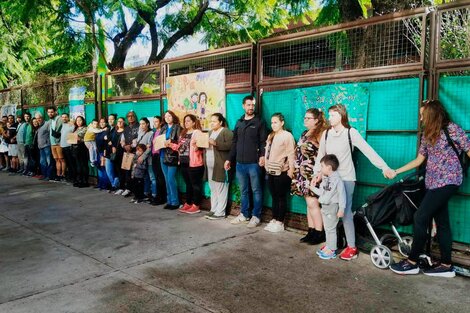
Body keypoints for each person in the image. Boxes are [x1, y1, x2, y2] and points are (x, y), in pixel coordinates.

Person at [389, 100, 470, 277]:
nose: (420, 118)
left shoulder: (452, 129)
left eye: (422, 115)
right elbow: (419, 160)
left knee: (420, 216)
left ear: (432, 114)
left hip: (449, 180)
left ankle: (412, 262)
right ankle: (446, 265)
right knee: (442, 223)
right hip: (432, 183)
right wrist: (396, 171)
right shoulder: (428, 134)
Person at [314, 104, 395, 261]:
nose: (329, 118)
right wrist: (317, 173)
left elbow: (368, 151)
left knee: (344, 213)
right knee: (329, 213)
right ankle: (332, 244)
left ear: (341, 116)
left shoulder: (351, 133)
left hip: (346, 179)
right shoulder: (325, 134)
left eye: (333, 115)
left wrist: (384, 167)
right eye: (329, 115)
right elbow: (320, 156)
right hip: (328, 181)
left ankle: (351, 247)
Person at [225, 95, 267, 228]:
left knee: (256, 190)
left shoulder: (260, 122)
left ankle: (256, 216)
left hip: (254, 164)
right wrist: (229, 159)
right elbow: (234, 143)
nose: (251, 107)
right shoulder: (239, 122)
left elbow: (263, 141)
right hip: (239, 164)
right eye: (248, 105)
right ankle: (244, 214)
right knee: (244, 190)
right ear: (243, 106)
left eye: (252, 105)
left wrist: (262, 156)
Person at [292, 108, 329, 244]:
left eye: (309, 118)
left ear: (317, 120)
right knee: (309, 204)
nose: (305, 120)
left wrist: (320, 172)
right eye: (305, 118)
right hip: (301, 173)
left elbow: (326, 154)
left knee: (313, 202)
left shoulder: (321, 134)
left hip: (313, 173)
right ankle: (311, 231)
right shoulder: (304, 133)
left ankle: (320, 232)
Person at [263, 113, 295, 233]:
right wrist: (265, 164)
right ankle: (274, 219)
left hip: (282, 171)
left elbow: (291, 154)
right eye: (272, 122)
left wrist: (291, 170)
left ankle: (280, 222)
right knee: (274, 196)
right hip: (270, 170)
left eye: (275, 122)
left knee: (281, 197)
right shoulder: (271, 135)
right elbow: (267, 152)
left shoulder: (287, 136)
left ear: (282, 123)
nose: (273, 125)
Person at [311, 154, 346, 259]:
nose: (321, 169)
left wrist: (341, 208)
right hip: (325, 207)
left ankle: (332, 250)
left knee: (331, 229)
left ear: (329, 168)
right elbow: (322, 192)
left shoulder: (337, 180)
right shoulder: (326, 180)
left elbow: (342, 195)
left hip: (332, 207)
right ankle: (329, 246)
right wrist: (312, 188)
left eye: (322, 166)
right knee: (327, 228)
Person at [171, 114, 204, 214]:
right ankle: (188, 203)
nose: (186, 123)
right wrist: (171, 145)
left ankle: (196, 205)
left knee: (195, 185)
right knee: (188, 184)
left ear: (194, 122)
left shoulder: (197, 132)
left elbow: (202, 146)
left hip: (194, 163)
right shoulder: (183, 133)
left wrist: (198, 147)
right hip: (183, 162)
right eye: (185, 121)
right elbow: (180, 148)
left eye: (189, 121)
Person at [204, 113, 233, 220]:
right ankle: (214, 209)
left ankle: (220, 212)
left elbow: (231, 145)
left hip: (221, 164)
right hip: (210, 164)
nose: (212, 123)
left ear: (220, 122)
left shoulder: (226, 131)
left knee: (221, 188)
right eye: (211, 121)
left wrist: (216, 143)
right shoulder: (210, 132)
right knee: (213, 188)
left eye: (214, 121)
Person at [160, 110, 182, 210]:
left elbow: (180, 142)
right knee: (166, 180)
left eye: (169, 116)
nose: (167, 118)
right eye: (166, 116)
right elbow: (159, 140)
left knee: (171, 179)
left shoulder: (177, 127)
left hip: (172, 156)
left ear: (173, 117)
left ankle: (175, 202)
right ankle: (169, 201)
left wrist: (171, 142)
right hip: (162, 155)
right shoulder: (163, 128)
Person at [119, 111, 139, 197]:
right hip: (127, 152)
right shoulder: (126, 128)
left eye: (132, 116)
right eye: (128, 116)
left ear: (135, 117)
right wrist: (124, 146)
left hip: (135, 152)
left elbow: (139, 138)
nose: (130, 118)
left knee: (135, 172)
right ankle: (128, 189)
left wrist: (131, 145)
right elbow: (122, 139)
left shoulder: (139, 126)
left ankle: (135, 190)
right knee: (127, 171)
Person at [135, 118, 154, 201]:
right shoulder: (140, 132)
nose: (141, 125)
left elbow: (149, 147)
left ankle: (153, 194)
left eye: (143, 124)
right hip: (140, 159)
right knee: (144, 177)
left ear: (147, 124)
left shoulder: (151, 133)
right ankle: (145, 193)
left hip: (148, 159)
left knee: (152, 177)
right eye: (140, 124)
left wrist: (143, 156)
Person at [150, 116, 167, 205]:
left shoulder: (162, 131)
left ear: (160, 122)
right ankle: (158, 195)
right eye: (154, 122)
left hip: (160, 155)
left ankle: (162, 197)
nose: (155, 123)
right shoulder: (154, 132)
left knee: (161, 177)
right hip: (154, 155)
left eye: (156, 121)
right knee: (156, 177)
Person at [71, 116, 89, 188]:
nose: (78, 122)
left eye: (80, 120)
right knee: (78, 166)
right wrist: (73, 137)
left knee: (83, 165)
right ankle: (80, 180)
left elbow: (78, 137)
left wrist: (74, 137)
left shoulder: (86, 128)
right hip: (75, 149)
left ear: (83, 121)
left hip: (82, 148)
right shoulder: (76, 128)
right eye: (77, 120)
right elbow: (71, 138)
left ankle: (85, 181)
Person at [47, 106, 64, 181]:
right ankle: (57, 174)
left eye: (51, 112)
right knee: (56, 159)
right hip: (52, 143)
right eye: (49, 112)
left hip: (59, 143)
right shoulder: (50, 120)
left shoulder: (59, 119)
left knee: (61, 159)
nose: (50, 113)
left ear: (55, 112)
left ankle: (62, 175)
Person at [104, 114, 120, 192]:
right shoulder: (108, 129)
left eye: (112, 119)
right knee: (108, 170)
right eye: (109, 119)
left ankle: (115, 186)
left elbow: (117, 140)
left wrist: (111, 141)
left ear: (115, 120)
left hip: (116, 153)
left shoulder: (117, 129)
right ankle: (113, 184)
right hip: (108, 152)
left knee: (116, 170)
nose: (110, 120)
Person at [36, 112, 52, 181]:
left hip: (47, 146)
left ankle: (49, 175)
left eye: (39, 118)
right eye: (37, 118)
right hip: (41, 147)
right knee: (42, 162)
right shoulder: (38, 126)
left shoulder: (47, 124)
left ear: (42, 118)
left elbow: (50, 134)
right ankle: (44, 175)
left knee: (48, 161)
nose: (38, 119)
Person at [113, 117, 127, 195]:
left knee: (124, 171)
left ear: (124, 122)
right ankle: (121, 187)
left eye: (121, 121)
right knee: (118, 171)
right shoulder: (115, 131)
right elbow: (112, 141)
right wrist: (112, 146)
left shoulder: (125, 131)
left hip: (123, 153)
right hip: (116, 153)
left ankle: (125, 187)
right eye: (118, 121)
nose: (119, 123)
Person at [95, 118, 110, 190]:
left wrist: (104, 152)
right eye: (100, 122)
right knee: (99, 168)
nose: (102, 123)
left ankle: (105, 185)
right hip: (98, 152)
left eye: (103, 122)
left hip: (103, 152)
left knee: (104, 169)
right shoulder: (98, 131)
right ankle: (100, 184)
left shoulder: (107, 130)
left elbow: (107, 143)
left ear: (106, 123)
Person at [60, 113, 75, 182]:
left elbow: (73, 134)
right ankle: (69, 176)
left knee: (71, 163)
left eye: (65, 117)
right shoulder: (62, 125)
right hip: (62, 146)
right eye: (63, 117)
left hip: (69, 146)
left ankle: (73, 177)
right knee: (67, 163)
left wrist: (71, 144)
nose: (64, 118)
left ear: (68, 118)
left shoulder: (71, 125)